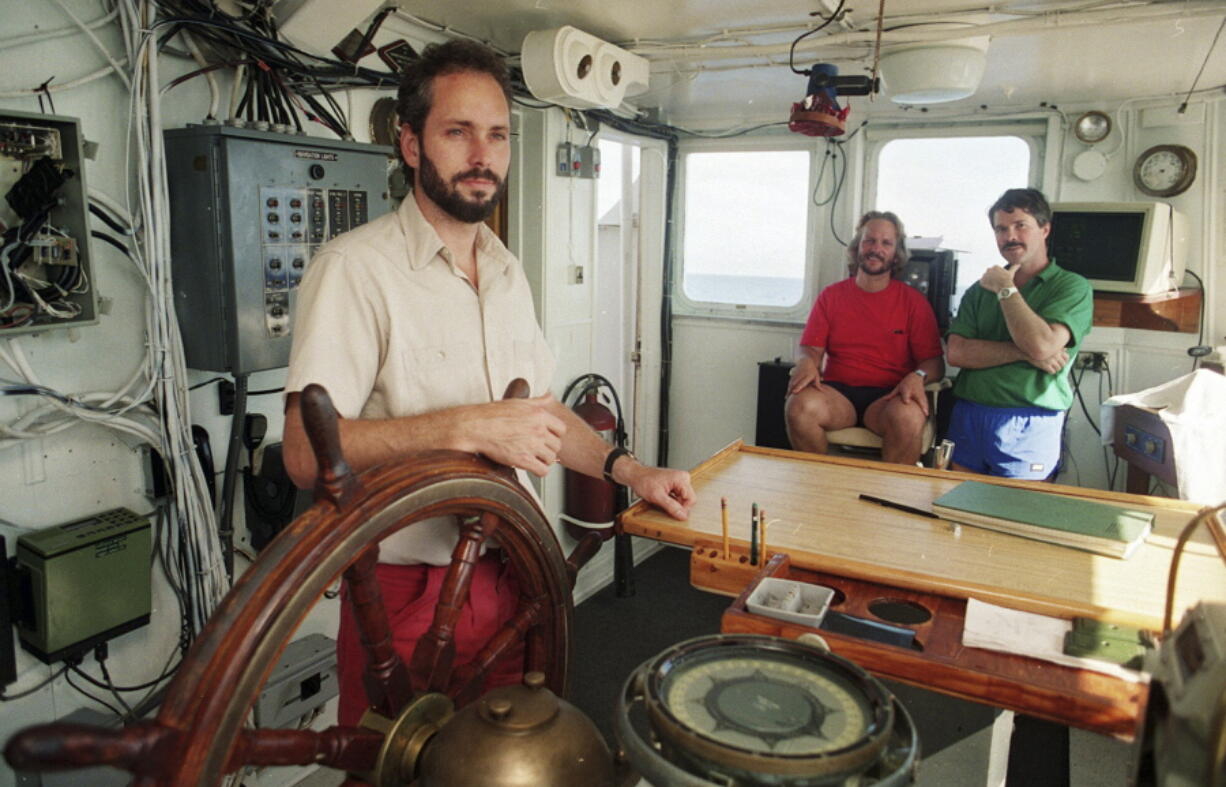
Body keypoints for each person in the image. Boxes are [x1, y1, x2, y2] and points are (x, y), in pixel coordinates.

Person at [280, 39, 695, 725]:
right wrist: (461, 425)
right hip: (409, 591)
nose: (483, 155)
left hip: (516, 573)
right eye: (458, 132)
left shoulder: (506, 269)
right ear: (411, 144)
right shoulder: (354, 269)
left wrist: (631, 469)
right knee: (399, 769)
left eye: (498, 135)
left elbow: (538, 415)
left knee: (506, 760)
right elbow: (302, 451)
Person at [945, 188, 1093, 479]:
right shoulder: (978, 290)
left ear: (1045, 229)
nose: (1009, 236)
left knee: (1015, 515)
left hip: (1031, 421)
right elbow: (957, 353)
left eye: (1020, 225)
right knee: (956, 508)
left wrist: (1006, 289)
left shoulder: (1072, 288)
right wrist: (1021, 352)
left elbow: (1040, 345)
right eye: (1001, 229)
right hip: (970, 415)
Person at [786, 211, 944, 465]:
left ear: (896, 253)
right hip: (837, 396)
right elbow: (811, 349)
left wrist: (918, 376)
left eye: (886, 243)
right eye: (869, 240)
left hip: (889, 398)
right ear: (857, 247)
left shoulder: (914, 303)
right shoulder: (831, 296)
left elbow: (934, 364)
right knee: (799, 406)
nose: (876, 249)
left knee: (909, 417)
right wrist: (806, 361)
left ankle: (889, 498)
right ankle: (818, 487)